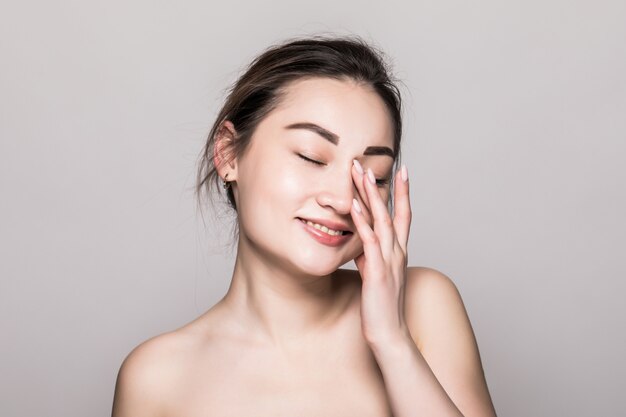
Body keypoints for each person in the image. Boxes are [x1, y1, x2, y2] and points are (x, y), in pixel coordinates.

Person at [111, 35, 498, 417]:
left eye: (375, 177)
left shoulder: (422, 305)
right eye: (312, 157)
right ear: (229, 153)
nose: (343, 200)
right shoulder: (157, 378)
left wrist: (392, 341)